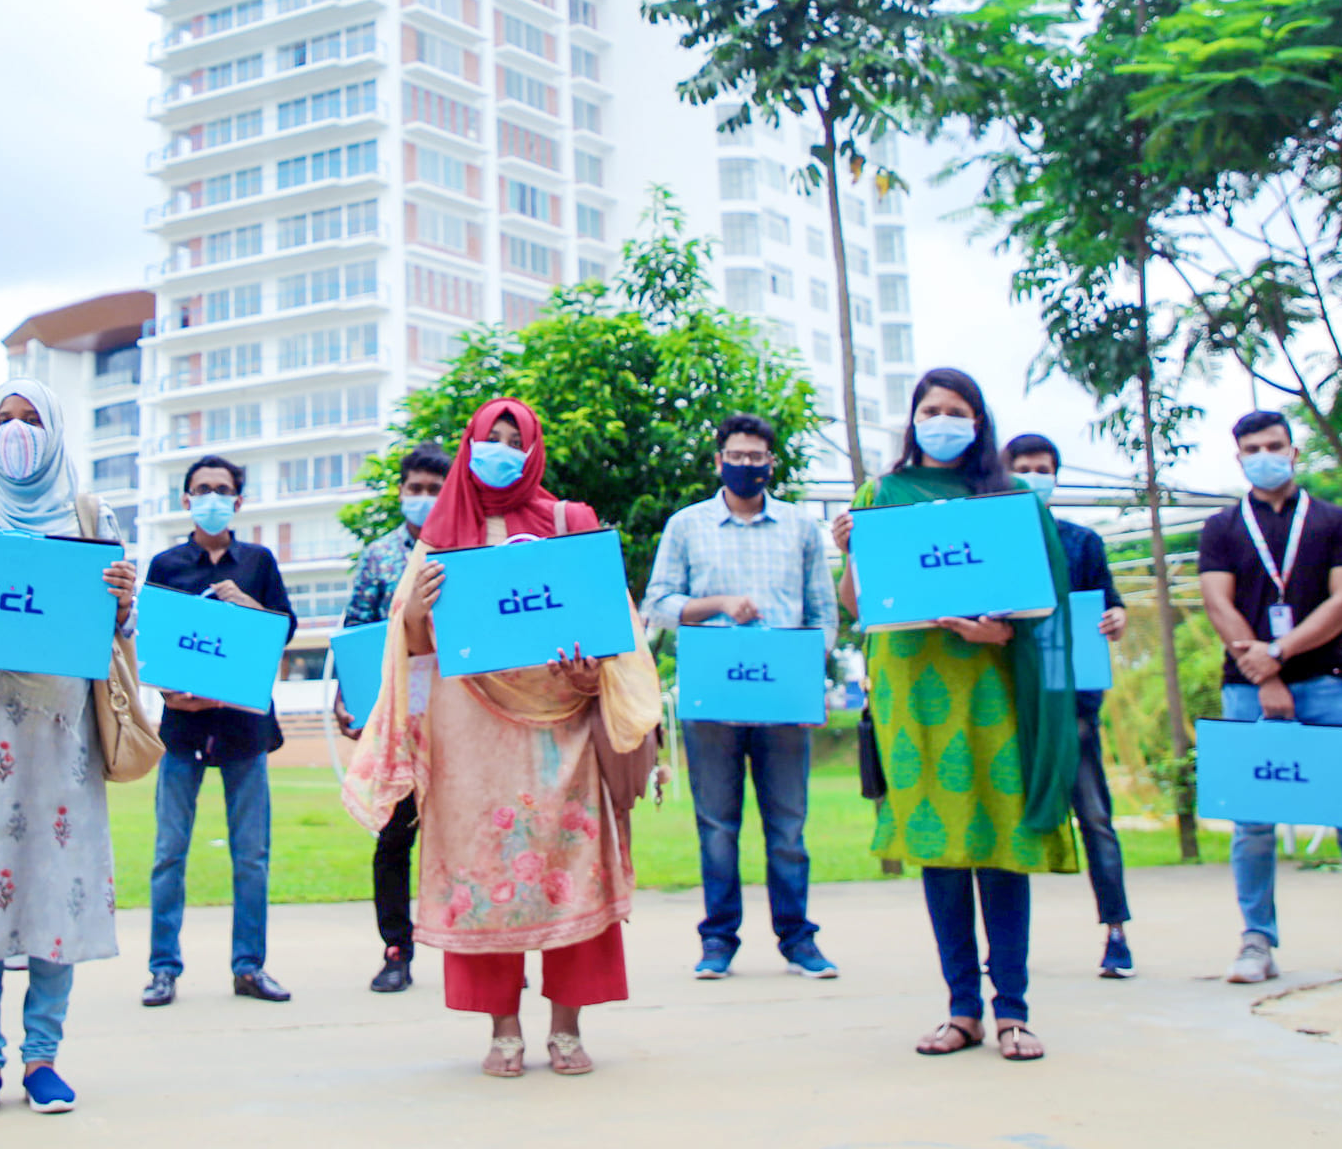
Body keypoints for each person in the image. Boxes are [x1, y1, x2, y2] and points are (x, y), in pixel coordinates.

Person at [344, 398, 663, 1079]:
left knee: (570, 869)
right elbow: (412, 645)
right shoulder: (441, 533)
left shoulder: (568, 522)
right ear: (470, 445)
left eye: (517, 440)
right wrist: (416, 611)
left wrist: (592, 672)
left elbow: (611, 625)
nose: (504, 451)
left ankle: (567, 1030)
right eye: (493, 438)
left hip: (562, 731)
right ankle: (504, 1029)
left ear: (535, 449)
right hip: (472, 738)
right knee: (485, 875)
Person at [829, 368, 1077, 1064]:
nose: (942, 420)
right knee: (939, 849)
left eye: (956, 410)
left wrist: (999, 633)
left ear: (979, 420)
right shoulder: (880, 495)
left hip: (991, 692)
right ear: (913, 420)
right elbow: (858, 605)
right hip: (912, 697)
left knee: (999, 847)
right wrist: (850, 552)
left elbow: (1043, 604)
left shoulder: (1008, 499)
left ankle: (1014, 1012)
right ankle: (961, 1009)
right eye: (930, 409)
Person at [0, 380, 140, 1117]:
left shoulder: (91, 517)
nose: (16, 432)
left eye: (30, 419)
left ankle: (44, 1057)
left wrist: (124, 603)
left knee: (56, 879)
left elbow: (120, 630)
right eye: (3, 419)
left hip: (60, 727)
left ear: (54, 430)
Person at [1196, 409, 1342, 992]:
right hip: (1246, 687)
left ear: (1294, 452)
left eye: (1274, 445)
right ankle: (1257, 939)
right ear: (1239, 458)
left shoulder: (1333, 520)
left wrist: (1279, 652)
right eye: (1252, 449)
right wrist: (1263, 673)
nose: (1264, 456)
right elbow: (1219, 603)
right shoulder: (1222, 527)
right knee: (1252, 821)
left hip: (1327, 682)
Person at [642, 411, 840, 981]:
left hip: (783, 700)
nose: (746, 465)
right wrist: (720, 605)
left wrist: (804, 675)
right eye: (737, 456)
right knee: (717, 828)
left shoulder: (801, 527)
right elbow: (658, 603)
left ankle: (798, 940)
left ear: (771, 463)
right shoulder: (687, 526)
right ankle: (718, 941)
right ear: (718, 460)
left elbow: (823, 615)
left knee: (788, 829)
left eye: (757, 457)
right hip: (714, 696)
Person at [142, 453, 296, 1006]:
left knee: (251, 855)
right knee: (169, 852)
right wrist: (169, 691)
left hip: (243, 728)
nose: (212, 498)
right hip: (183, 729)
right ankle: (163, 969)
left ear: (238, 500)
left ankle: (249, 967)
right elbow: (152, 640)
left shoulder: (258, 562)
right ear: (186, 500)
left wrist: (248, 604)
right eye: (202, 489)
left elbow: (283, 630)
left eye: (222, 489)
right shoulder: (165, 565)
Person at [1003, 433, 1133, 978]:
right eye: (1024, 468)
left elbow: (1110, 607)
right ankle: (1002, 949)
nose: (1035, 477)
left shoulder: (1083, 543)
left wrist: (1117, 618)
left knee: (1095, 817)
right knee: (1002, 822)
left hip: (1072, 703)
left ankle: (1116, 931)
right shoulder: (993, 541)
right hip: (1007, 704)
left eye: (1044, 468)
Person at [338, 441, 452, 992]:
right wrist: (348, 698)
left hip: (457, 716)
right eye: (415, 488)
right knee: (393, 836)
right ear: (401, 491)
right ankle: (396, 951)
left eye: (435, 489)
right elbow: (357, 629)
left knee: (465, 835)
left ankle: (482, 948)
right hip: (398, 718)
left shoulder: (465, 549)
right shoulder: (380, 556)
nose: (423, 497)